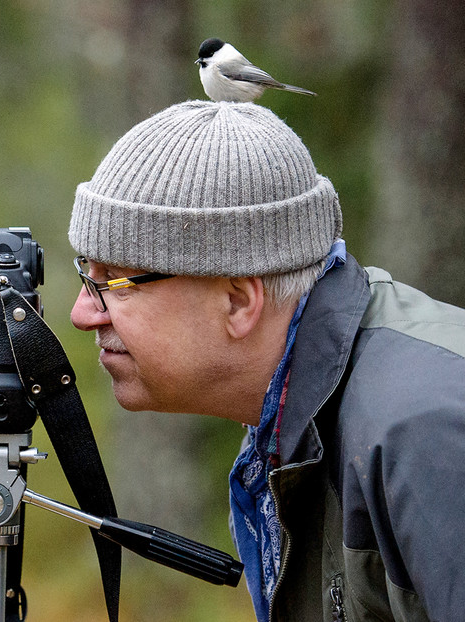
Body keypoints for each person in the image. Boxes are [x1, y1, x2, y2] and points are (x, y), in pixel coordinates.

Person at [67, 100, 465, 622]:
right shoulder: (302, 414)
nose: (81, 314)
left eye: (113, 283)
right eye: (85, 274)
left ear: (237, 301)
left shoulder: (423, 433)